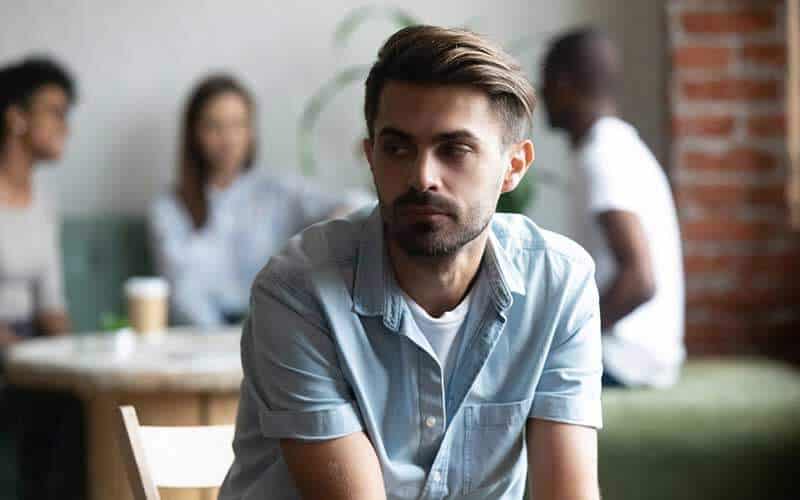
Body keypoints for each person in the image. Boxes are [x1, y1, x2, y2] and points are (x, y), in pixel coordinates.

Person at [220, 26, 602, 500]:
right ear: (371, 156)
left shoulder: (559, 284)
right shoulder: (299, 291)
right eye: (398, 148)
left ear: (514, 167)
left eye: (454, 149)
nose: (422, 177)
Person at [149, 74, 368, 328]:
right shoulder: (169, 209)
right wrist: (225, 340)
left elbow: (360, 204)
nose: (227, 139)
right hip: (202, 339)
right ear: (194, 133)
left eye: (237, 125)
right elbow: (182, 294)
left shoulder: (278, 191)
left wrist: (336, 224)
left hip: (272, 330)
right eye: (214, 126)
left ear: (250, 131)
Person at [541, 28, 685, 388]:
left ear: (562, 84)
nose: (541, 95)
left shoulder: (602, 155)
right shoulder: (617, 146)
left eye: (544, 83)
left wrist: (564, 341)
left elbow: (640, 280)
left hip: (624, 358)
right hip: (644, 356)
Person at [0, 56, 85, 500]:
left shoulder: (42, 204)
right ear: (15, 117)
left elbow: (51, 305)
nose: (65, 127)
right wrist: (26, 358)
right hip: (7, 350)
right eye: (55, 112)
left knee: (83, 402)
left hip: (29, 348)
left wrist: (77, 357)